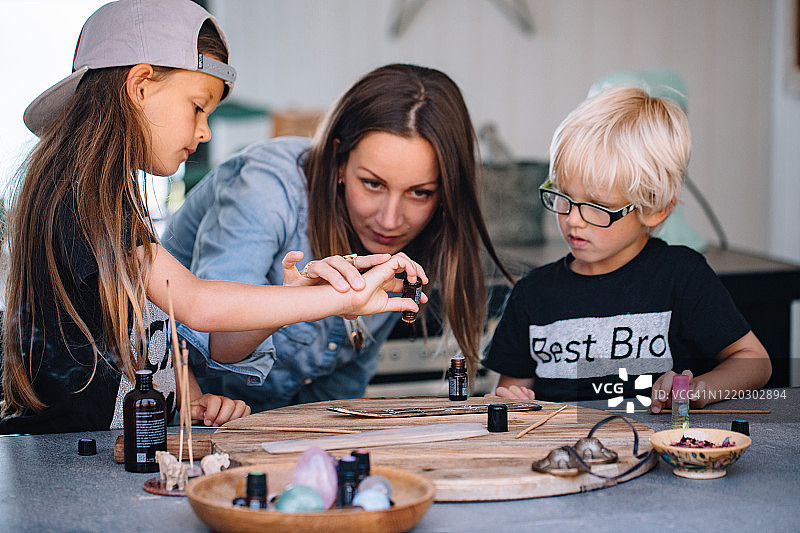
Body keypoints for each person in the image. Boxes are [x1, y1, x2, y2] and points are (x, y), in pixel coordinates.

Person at [0, 0, 418, 435]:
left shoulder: (111, 200)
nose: (205, 131)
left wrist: (194, 400)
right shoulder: (76, 195)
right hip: (63, 460)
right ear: (141, 85)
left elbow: (156, 335)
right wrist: (341, 300)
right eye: (198, 107)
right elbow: (196, 304)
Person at [161, 63, 512, 411]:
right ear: (338, 160)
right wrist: (293, 304)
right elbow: (216, 340)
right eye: (373, 184)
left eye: (419, 193)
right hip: (183, 416)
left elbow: (340, 390)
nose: (390, 220)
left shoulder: (416, 237)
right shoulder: (264, 189)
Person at [483, 86, 771, 410]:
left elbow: (754, 362)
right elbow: (509, 392)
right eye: (564, 196)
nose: (573, 220)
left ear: (654, 209)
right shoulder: (532, 295)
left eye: (597, 206)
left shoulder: (681, 277)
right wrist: (510, 400)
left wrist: (698, 389)